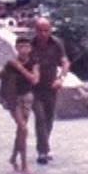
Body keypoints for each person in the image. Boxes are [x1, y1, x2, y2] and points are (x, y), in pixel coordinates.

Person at [0, 36, 40, 174]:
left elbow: (34, 80)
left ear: (30, 48)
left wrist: (20, 68)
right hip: (14, 100)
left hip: (27, 99)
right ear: (16, 48)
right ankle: (24, 165)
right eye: (21, 46)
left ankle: (13, 157)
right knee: (23, 129)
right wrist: (0, 97)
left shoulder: (33, 63)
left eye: (26, 46)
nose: (24, 49)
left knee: (20, 131)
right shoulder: (10, 65)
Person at [30, 17, 70, 165]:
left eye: (46, 30)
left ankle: (45, 147)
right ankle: (42, 151)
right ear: (35, 30)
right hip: (34, 89)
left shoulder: (57, 43)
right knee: (40, 118)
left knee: (48, 119)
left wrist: (61, 78)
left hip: (51, 87)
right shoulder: (30, 45)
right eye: (40, 30)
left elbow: (65, 62)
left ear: (50, 30)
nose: (43, 34)